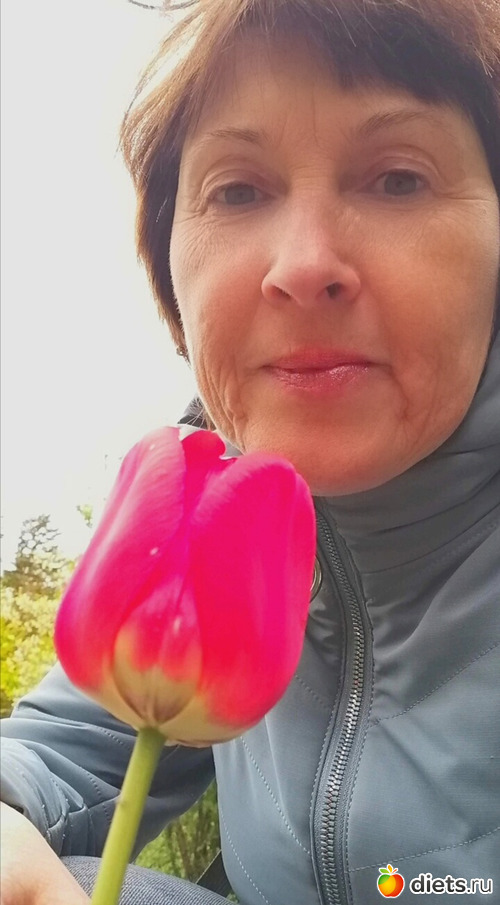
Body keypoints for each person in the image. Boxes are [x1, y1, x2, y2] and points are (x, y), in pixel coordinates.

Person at [1, 0, 499, 902]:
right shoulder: (207, 505)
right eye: (238, 191)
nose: (304, 265)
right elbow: (62, 749)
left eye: (398, 179)